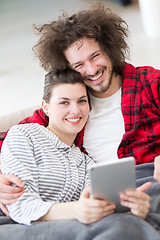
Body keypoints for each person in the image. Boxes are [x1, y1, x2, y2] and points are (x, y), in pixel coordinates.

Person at [0, 3, 159, 213]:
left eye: (95, 56)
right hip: (98, 201)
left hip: (151, 185)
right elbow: (10, 140)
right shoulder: (69, 107)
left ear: (110, 50)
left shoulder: (150, 84)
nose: (92, 69)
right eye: (79, 65)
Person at [0, 67, 151, 225]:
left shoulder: (86, 162)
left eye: (81, 101)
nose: (75, 110)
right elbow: (20, 206)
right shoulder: (23, 135)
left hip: (70, 227)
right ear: (46, 107)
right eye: (64, 102)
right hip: (21, 227)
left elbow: (98, 205)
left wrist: (132, 207)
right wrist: (76, 210)